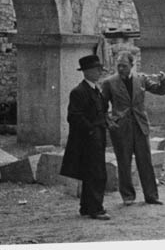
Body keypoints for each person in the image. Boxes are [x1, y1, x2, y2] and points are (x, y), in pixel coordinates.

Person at [102, 51, 165, 206]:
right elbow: (101, 106)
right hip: (120, 127)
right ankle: (128, 196)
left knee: (145, 161)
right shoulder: (109, 83)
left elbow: (160, 91)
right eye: (118, 66)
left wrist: (163, 81)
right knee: (123, 162)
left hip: (140, 125)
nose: (121, 69)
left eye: (124, 66)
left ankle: (151, 196)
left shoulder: (142, 79)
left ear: (132, 65)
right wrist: (109, 121)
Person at [60, 55, 111, 220]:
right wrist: (91, 131)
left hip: (98, 136)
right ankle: (96, 209)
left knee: (94, 172)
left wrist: (106, 123)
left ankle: (86, 207)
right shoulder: (79, 92)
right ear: (87, 72)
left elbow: (102, 110)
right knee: (96, 173)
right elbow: (74, 116)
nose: (99, 73)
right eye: (97, 70)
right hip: (88, 140)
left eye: (100, 70)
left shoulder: (96, 90)